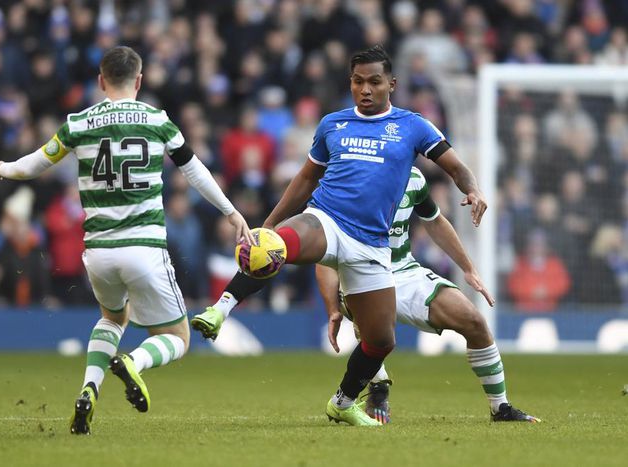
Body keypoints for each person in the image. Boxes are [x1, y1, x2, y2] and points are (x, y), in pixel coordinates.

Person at [192, 45, 488, 426]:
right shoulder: (333, 124)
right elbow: (305, 180)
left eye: (374, 82)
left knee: (381, 341)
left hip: (372, 245)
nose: (365, 89)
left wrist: (474, 189)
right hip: (327, 220)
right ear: (350, 83)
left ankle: (343, 402)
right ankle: (221, 310)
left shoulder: (413, 126)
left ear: (391, 84)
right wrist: (267, 224)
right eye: (358, 81)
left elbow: (456, 167)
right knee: (275, 245)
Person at [0, 46, 252, 435]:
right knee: (177, 336)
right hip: (144, 247)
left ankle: (89, 388)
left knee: (113, 317)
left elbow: (38, 162)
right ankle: (134, 363)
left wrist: (3, 168)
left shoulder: (80, 123)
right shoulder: (157, 120)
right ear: (139, 81)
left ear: (100, 80)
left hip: (98, 253)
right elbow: (195, 171)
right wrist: (230, 211)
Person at [316, 167, 540, 424]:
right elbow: (324, 256)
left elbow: (434, 220)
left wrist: (468, 268)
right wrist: (332, 307)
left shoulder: (413, 178)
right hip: (360, 273)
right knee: (375, 333)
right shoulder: (346, 179)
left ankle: (500, 409)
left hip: (404, 271)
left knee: (473, 320)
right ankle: (378, 387)